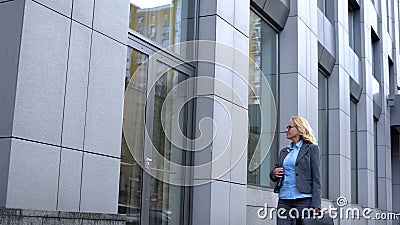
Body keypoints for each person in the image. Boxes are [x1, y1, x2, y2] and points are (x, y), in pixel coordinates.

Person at [270, 116, 321, 225]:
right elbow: (274, 173)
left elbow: (316, 177)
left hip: (304, 199)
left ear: (299, 129)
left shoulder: (311, 149)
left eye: (289, 127)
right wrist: (274, 173)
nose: (286, 130)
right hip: (284, 199)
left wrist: (316, 204)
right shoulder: (284, 151)